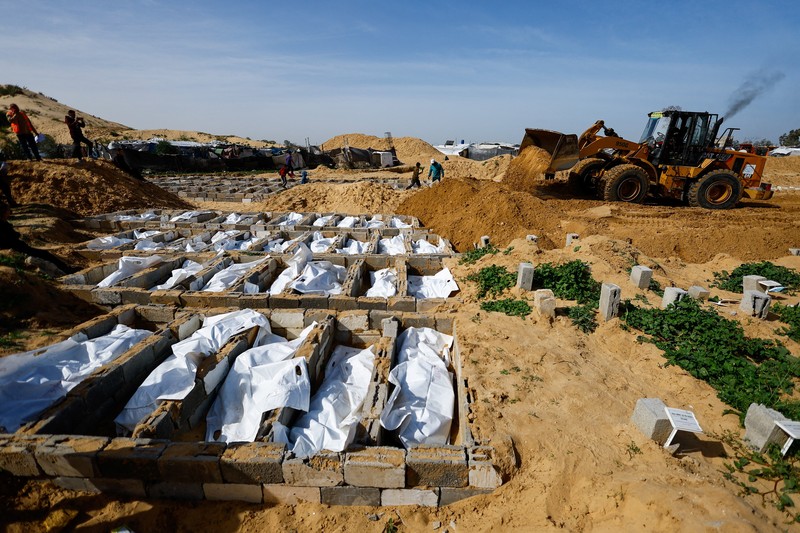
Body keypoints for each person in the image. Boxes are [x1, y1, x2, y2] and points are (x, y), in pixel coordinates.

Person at [0, 202, 76, 274]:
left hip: (18, 246)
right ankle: (67, 269)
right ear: (3, 212)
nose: (9, 212)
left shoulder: (4, 222)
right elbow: (12, 238)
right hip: (16, 249)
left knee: (44, 254)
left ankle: (67, 268)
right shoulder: (3, 225)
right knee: (45, 255)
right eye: (7, 211)